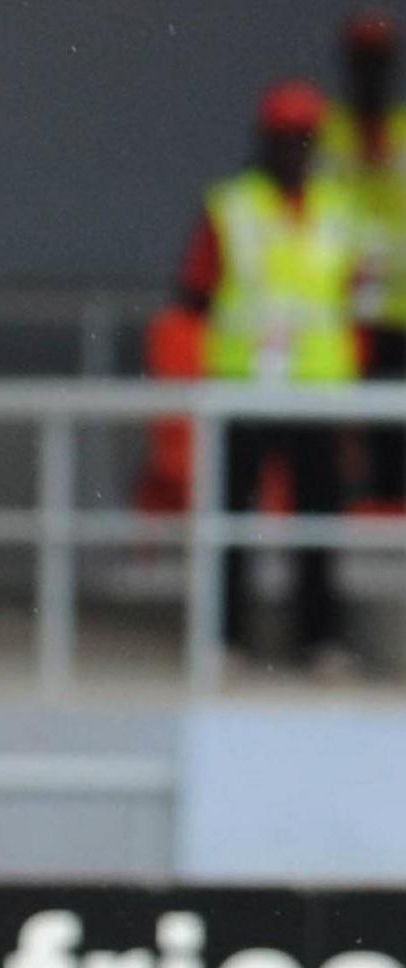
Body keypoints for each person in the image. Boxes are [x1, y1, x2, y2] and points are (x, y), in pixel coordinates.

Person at [179, 82, 359, 665]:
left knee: (320, 522)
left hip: (317, 391)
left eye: (306, 138)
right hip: (244, 386)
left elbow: (355, 294)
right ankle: (222, 639)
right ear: (264, 141)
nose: (296, 150)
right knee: (230, 519)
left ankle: (320, 641)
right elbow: (195, 292)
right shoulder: (231, 207)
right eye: (286, 138)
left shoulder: (339, 209)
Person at [325, 12, 406, 503]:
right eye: (362, 61)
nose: (371, 73)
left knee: (395, 439)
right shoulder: (324, 134)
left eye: (379, 61)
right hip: (337, 317)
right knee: (335, 443)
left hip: (399, 315)